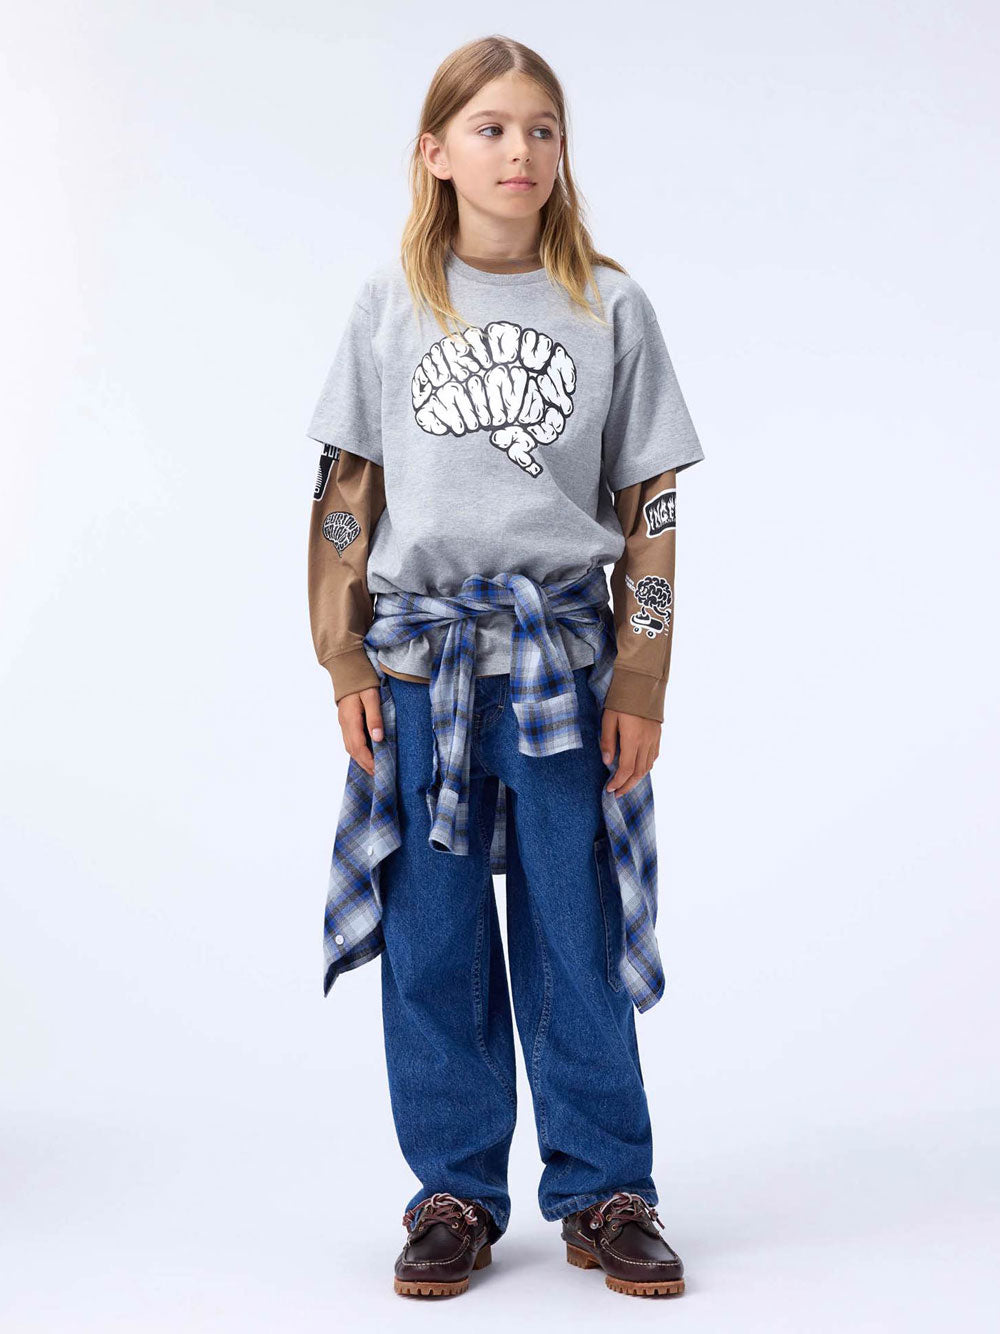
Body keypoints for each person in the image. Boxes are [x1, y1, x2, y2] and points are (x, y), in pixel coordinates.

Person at [305, 35, 705, 1300]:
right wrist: (342, 654)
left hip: (562, 667)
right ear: (434, 152)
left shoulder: (611, 307)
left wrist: (638, 678)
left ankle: (606, 1185)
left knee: (572, 926)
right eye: (488, 127)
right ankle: (452, 1190)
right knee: (432, 937)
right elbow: (345, 496)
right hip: (420, 666)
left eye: (541, 128)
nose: (518, 150)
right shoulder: (389, 303)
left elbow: (650, 508)